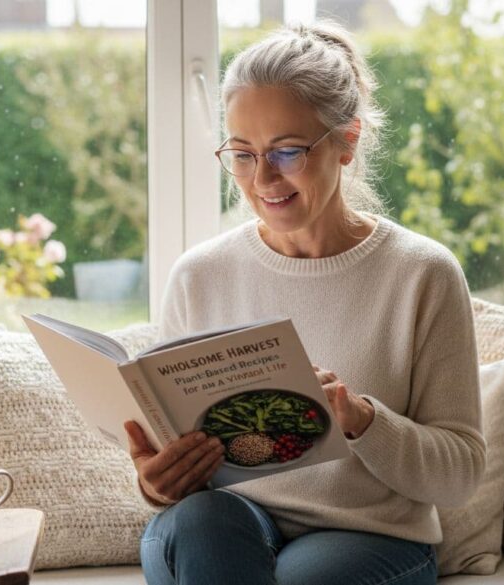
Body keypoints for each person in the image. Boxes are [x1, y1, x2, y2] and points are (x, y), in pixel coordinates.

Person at [123, 21, 485, 585]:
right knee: (199, 526)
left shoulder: (422, 274)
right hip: (223, 528)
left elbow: (460, 475)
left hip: (368, 537)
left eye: (287, 151)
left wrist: (361, 420)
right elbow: (175, 460)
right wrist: (156, 481)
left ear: (348, 140)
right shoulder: (200, 276)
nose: (262, 178)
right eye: (242, 154)